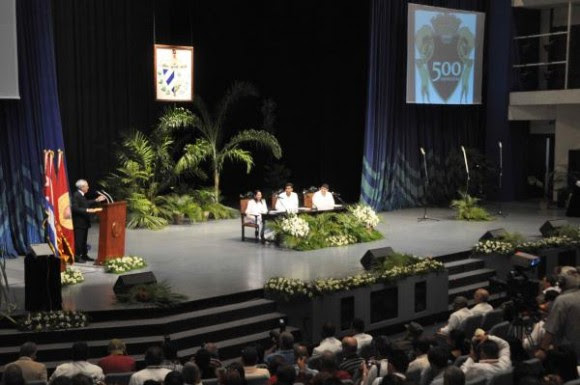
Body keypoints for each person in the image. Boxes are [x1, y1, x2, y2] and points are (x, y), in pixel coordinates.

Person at [71, 179, 106, 263]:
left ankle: (84, 255)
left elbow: (85, 203)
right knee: (79, 241)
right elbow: (75, 208)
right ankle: (77, 256)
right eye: (86, 186)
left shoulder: (81, 195)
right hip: (79, 222)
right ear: (82, 187)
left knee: (83, 241)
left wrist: (96, 200)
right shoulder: (76, 195)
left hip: (84, 222)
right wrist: (87, 210)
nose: (88, 187)